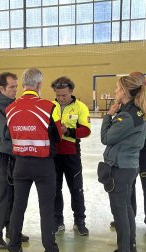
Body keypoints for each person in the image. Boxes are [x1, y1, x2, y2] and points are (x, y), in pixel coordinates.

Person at [6, 68, 71, 252]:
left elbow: (8, 135)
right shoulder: (48, 106)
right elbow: (57, 137)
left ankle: (14, 247)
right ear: (40, 85)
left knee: (18, 206)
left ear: (24, 85)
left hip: (20, 164)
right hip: (43, 165)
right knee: (46, 210)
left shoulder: (10, 108)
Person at [100, 74, 146, 252]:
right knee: (127, 208)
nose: (115, 92)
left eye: (117, 89)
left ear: (126, 92)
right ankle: (129, 245)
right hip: (128, 166)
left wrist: (108, 116)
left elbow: (106, 138)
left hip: (121, 168)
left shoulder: (126, 115)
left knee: (119, 209)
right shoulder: (135, 111)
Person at [110, 72, 146, 237]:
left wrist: (138, 128)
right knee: (129, 185)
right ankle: (128, 218)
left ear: (144, 83)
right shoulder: (127, 103)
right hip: (129, 148)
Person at [0, 72, 29, 250]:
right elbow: (6, 133)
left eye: (16, 87)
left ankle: (12, 230)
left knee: (16, 196)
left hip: (16, 157)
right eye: (11, 87)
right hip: (3, 159)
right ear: (1, 88)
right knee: (4, 196)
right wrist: (27, 130)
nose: (15, 90)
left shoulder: (14, 106)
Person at [51, 76, 91, 236]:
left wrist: (68, 131)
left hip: (72, 155)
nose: (61, 98)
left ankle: (79, 221)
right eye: (58, 95)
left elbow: (86, 130)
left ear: (71, 92)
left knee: (76, 189)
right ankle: (57, 221)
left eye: (64, 95)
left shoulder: (81, 107)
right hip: (53, 155)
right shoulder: (49, 106)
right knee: (54, 190)